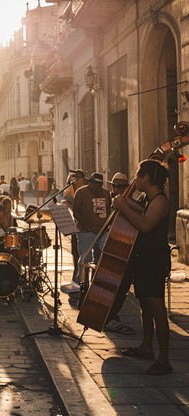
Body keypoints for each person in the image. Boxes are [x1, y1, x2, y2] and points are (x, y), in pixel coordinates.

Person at [114, 160, 172, 375]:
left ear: (147, 177)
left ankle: (164, 360)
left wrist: (123, 207)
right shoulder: (148, 198)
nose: (135, 179)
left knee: (157, 308)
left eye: (139, 175)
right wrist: (125, 204)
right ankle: (147, 347)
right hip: (144, 257)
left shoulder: (159, 201)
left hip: (154, 260)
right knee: (145, 305)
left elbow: (145, 225)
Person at [103, 172, 135, 334]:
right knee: (116, 286)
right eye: (114, 186)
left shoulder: (130, 203)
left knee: (121, 287)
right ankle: (110, 316)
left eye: (120, 186)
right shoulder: (113, 199)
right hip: (114, 245)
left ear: (127, 187)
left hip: (125, 248)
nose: (116, 189)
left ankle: (111, 315)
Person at [72, 172, 112, 285]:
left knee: (103, 256)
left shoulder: (106, 193)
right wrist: (88, 227)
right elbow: (76, 212)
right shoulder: (81, 192)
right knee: (85, 258)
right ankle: (82, 284)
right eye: (95, 185)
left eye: (99, 186)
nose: (97, 188)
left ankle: (98, 282)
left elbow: (108, 211)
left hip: (103, 231)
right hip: (86, 232)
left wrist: (106, 227)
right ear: (90, 183)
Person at [62, 169, 86, 285]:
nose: (74, 180)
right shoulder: (72, 190)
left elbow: (79, 211)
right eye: (73, 178)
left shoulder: (85, 191)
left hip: (84, 227)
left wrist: (68, 205)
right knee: (75, 252)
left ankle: (80, 279)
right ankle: (76, 276)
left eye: (76, 178)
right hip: (75, 225)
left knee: (82, 254)